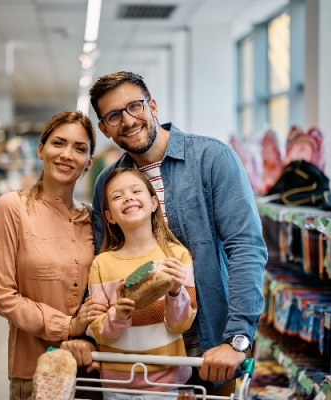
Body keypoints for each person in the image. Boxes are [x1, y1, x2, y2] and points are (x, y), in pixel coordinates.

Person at [88, 71, 268, 396]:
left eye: (134, 107)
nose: (127, 121)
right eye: (114, 115)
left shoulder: (211, 159)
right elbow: (103, 262)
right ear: (104, 128)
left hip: (210, 342)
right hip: (140, 352)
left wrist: (237, 338)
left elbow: (246, 247)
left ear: (152, 105)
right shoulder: (108, 183)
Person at [0, 110, 109, 400]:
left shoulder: (94, 218)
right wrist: (67, 326)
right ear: (41, 148)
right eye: (58, 143)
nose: (67, 154)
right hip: (36, 370)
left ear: (89, 163)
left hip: (90, 367)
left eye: (79, 149)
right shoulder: (12, 208)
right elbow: (1, 296)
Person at [87, 167, 196, 399]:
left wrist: (176, 292)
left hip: (166, 385)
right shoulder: (101, 264)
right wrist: (120, 314)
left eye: (136, 191)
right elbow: (101, 334)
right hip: (117, 385)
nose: (128, 197)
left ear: (154, 202)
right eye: (117, 196)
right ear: (109, 216)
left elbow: (181, 325)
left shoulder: (176, 257)